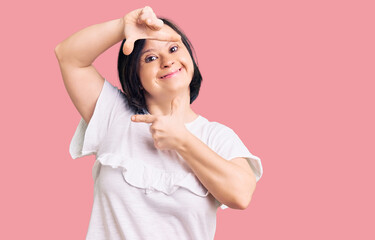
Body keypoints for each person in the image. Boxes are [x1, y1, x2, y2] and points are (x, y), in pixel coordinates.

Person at [55, 6, 263, 240]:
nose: (167, 61)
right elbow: (69, 57)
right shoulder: (113, 115)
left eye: (174, 49)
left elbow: (241, 194)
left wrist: (183, 141)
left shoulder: (217, 136)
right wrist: (121, 27)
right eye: (150, 57)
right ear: (136, 75)